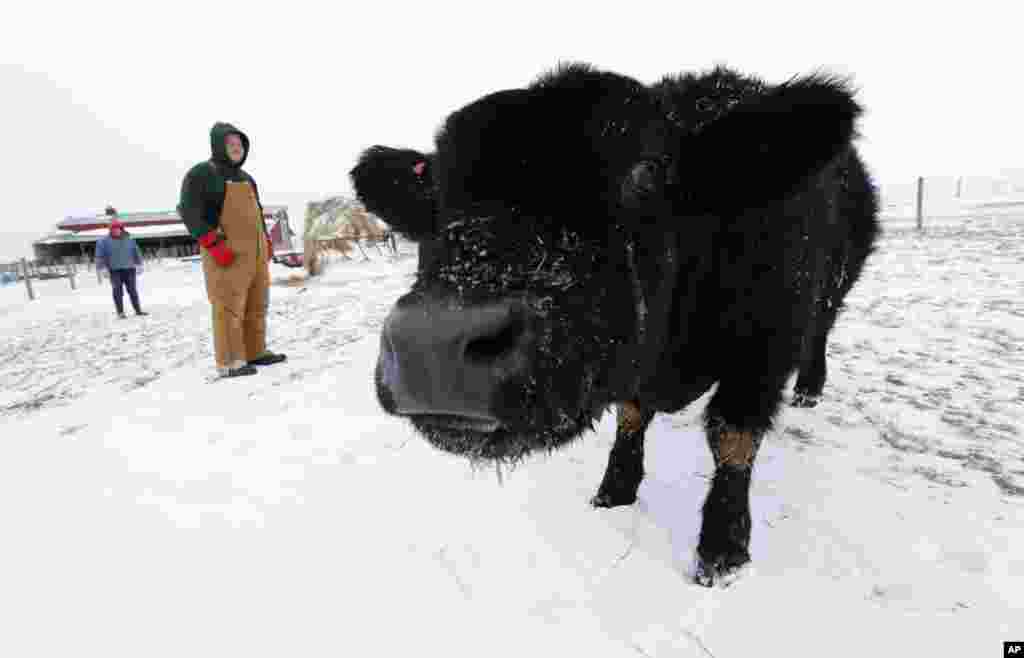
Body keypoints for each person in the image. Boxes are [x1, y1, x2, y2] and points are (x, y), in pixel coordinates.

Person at [177, 122, 286, 379]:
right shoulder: (202, 173)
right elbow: (189, 211)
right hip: (226, 253)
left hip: (256, 254)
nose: (236, 149)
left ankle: (255, 351)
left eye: (239, 145)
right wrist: (212, 244)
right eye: (231, 145)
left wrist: (266, 241)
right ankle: (229, 361)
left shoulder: (247, 178)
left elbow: (257, 212)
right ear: (218, 146)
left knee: (257, 304)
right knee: (229, 306)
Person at [94, 215, 148, 319]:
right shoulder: (103, 241)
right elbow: (99, 255)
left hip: (129, 269)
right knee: (117, 291)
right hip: (114, 271)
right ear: (110, 230)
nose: (115, 231)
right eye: (113, 229)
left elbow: (136, 252)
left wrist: (139, 263)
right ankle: (120, 313)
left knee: (132, 290)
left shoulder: (129, 239)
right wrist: (102, 268)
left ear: (121, 229)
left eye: (117, 228)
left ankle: (138, 310)